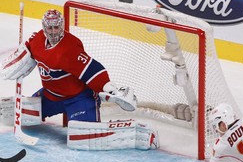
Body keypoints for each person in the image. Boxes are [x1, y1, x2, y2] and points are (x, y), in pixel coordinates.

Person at [0, 9, 158, 150]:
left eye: (57, 27)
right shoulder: (37, 41)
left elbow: (92, 69)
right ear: (44, 27)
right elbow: (28, 50)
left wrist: (109, 88)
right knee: (22, 112)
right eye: (50, 28)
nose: (54, 32)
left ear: (62, 27)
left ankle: (136, 132)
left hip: (79, 98)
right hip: (51, 96)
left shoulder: (70, 48)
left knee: (81, 136)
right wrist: (22, 56)